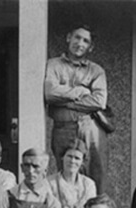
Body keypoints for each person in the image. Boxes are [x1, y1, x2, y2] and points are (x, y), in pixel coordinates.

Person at [45, 24, 109, 192]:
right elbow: (50, 93)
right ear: (68, 38)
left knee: (97, 173)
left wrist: (65, 101)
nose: (80, 43)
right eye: (77, 37)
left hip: (90, 127)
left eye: (85, 41)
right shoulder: (53, 65)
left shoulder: (96, 71)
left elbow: (99, 101)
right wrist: (79, 92)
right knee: (65, 174)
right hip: (62, 127)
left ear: (90, 46)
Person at [47, 139, 97, 208]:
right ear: (62, 157)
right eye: (69, 156)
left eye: (77, 158)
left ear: (82, 162)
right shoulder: (50, 183)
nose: (72, 161)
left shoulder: (88, 184)